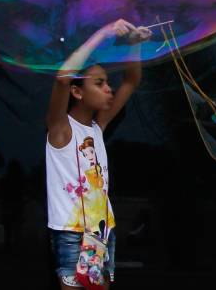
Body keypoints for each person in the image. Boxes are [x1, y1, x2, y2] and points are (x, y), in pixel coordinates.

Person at [46, 19, 151, 289]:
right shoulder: (61, 129)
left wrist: (134, 46)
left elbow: (132, 79)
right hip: (71, 233)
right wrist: (102, 33)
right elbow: (62, 78)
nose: (109, 89)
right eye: (100, 83)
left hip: (100, 231)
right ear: (77, 92)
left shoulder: (98, 127)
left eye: (107, 83)